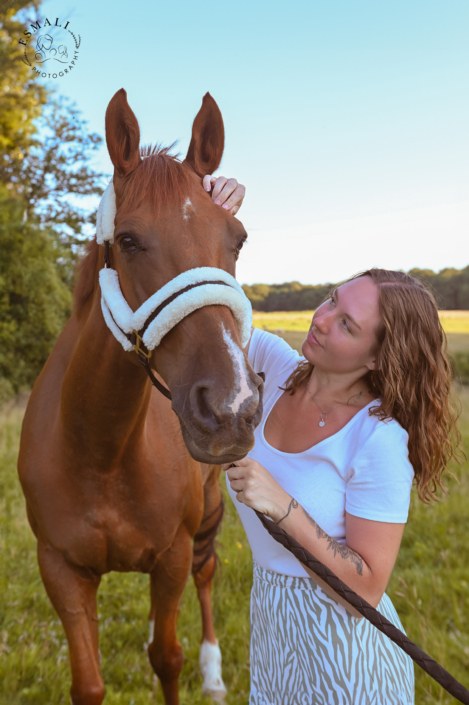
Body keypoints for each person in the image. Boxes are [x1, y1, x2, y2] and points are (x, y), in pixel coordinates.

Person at [203, 175, 460, 705]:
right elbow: (210, 310)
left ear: (377, 358)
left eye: (346, 324)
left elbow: (364, 589)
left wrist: (281, 505)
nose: (320, 320)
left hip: (348, 652)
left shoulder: (378, 439)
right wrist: (209, 214)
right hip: (273, 627)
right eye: (330, 301)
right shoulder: (275, 368)